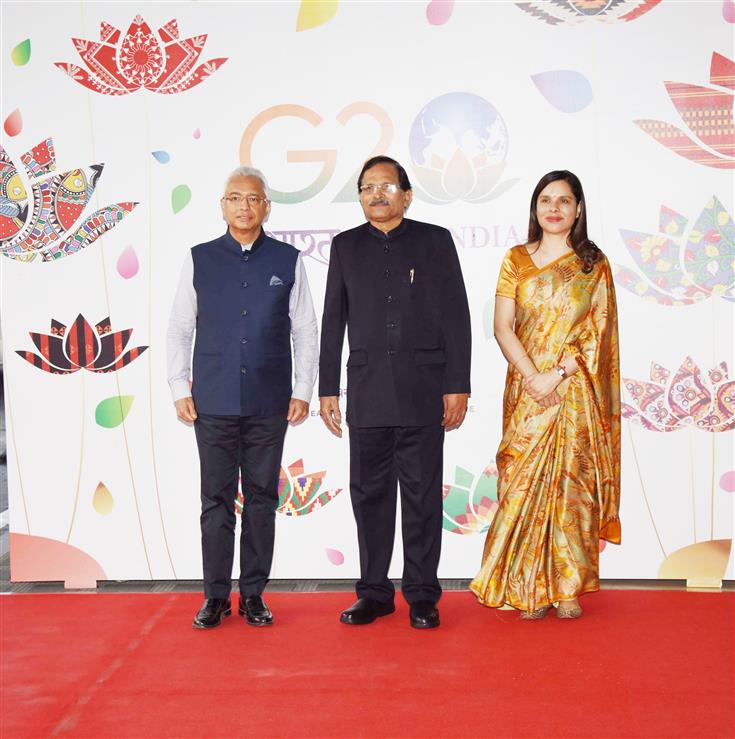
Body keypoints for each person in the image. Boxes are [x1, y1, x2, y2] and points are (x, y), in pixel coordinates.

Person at [319, 155, 471, 629]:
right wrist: (328, 388)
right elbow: (332, 320)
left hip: (424, 390)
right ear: (360, 196)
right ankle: (374, 593)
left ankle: (422, 594)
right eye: (367, 187)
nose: (377, 194)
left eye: (387, 186)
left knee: (422, 495)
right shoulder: (345, 246)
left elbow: (456, 316)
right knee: (369, 496)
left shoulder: (434, 241)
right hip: (366, 392)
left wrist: (457, 385)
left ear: (406, 194)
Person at [167, 166, 318, 629]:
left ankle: (253, 594)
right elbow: (180, 327)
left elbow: (305, 330)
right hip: (211, 401)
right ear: (223, 206)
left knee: (259, 501)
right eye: (235, 198)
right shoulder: (200, 259)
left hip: (269, 403)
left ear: (266, 206)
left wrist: (302, 390)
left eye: (253, 199)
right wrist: (179, 386)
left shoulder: (288, 261)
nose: (244, 207)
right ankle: (214, 597)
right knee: (214, 502)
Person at [470, 170, 620, 620]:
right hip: (526, 389)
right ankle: (527, 584)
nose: (553, 208)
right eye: (545, 200)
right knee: (521, 484)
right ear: (535, 209)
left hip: (573, 390)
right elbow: (502, 326)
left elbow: (600, 331)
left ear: (578, 209)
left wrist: (555, 373)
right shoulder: (517, 258)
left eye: (564, 201)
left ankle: (567, 586)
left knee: (572, 486)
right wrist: (533, 376)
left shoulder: (594, 264)